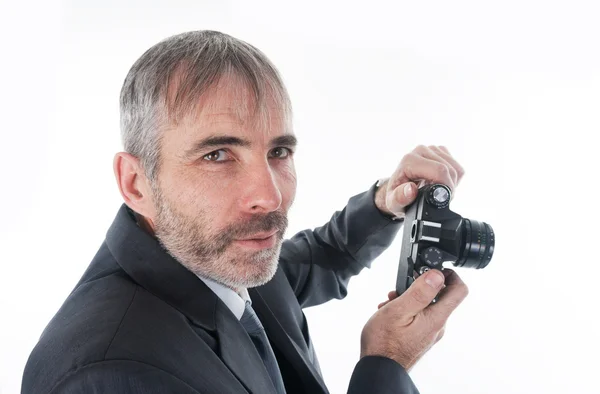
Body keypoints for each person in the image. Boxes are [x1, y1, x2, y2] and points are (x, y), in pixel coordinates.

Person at [21, 30, 469, 394]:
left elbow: (315, 260)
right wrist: (386, 366)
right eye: (217, 155)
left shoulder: (216, 258)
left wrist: (385, 204)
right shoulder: (110, 374)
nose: (269, 198)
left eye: (278, 151)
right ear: (136, 183)